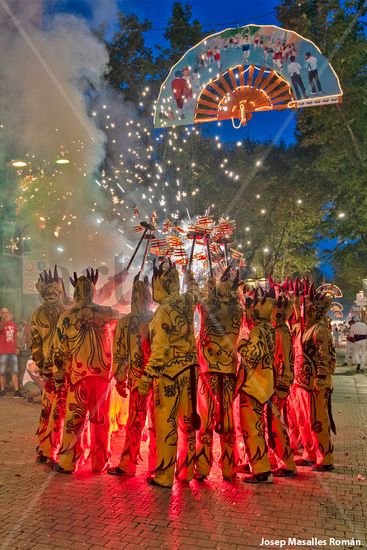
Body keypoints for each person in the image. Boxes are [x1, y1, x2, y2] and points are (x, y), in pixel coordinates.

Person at [137, 260, 200, 488]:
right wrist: (191, 277)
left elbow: (160, 350)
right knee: (187, 423)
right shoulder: (185, 301)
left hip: (170, 375)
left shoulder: (163, 312)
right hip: (190, 372)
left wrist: (146, 377)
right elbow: (195, 292)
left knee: (167, 423)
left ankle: (164, 476)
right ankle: (186, 472)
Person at [52, 270, 119, 473]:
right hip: (101, 377)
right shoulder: (106, 312)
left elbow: (59, 351)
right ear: (92, 290)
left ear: (76, 292)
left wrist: (58, 377)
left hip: (78, 378)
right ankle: (100, 461)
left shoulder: (67, 317)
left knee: (75, 419)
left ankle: (68, 461)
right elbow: (122, 327)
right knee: (101, 421)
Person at [235, 288, 296, 483]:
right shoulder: (268, 328)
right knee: (262, 427)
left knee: (253, 429)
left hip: (255, 385)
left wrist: (241, 343)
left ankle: (261, 470)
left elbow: (251, 357)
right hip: (264, 382)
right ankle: (259, 462)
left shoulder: (260, 330)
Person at [195, 268, 242, 482]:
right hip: (227, 374)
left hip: (209, 373)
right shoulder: (238, 310)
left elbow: (195, 297)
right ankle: (228, 468)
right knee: (227, 421)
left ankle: (203, 468)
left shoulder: (209, 306)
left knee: (206, 423)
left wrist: (197, 283)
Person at [108, 273, 155, 477]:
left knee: (139, 422)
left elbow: (119, 353)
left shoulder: (127, 322)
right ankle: (156, 466)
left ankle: (131, 464)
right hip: (152, 379)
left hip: (142, 379)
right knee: (150, 423)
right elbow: (119, 353)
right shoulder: (152, 318)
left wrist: (120, 379)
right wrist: (120, 379)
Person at [293, 284, 336, 471]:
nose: (302, 309)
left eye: (305, 306)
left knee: (318, 421)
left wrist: (321, 376)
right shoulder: (303, 328)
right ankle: (309, 453)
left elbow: (324, 356)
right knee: (304, 421)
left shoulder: (320, 329)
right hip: (301, 384)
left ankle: (325, 458)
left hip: (316, 385)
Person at [31, 267, 68, 463]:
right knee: (61, 409)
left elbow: (35, 344)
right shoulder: (67, 312)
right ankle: (58, 448)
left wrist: (43, 365)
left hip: (48, 370)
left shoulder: (37, 313)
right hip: (65, 371)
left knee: (48, 408)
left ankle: (47, 448)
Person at [0, 307, 21, 398]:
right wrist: (4, 322)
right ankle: (2, 390)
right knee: (2, 372)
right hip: (3, 352)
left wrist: (17, 347)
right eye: (3, 313)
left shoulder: (13, 324)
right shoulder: (1, 324)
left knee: (14, 372)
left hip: (12, 352)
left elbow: (16, 337)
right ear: (1, 314)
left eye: (7, 312)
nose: (6, 314)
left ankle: (16, 391)